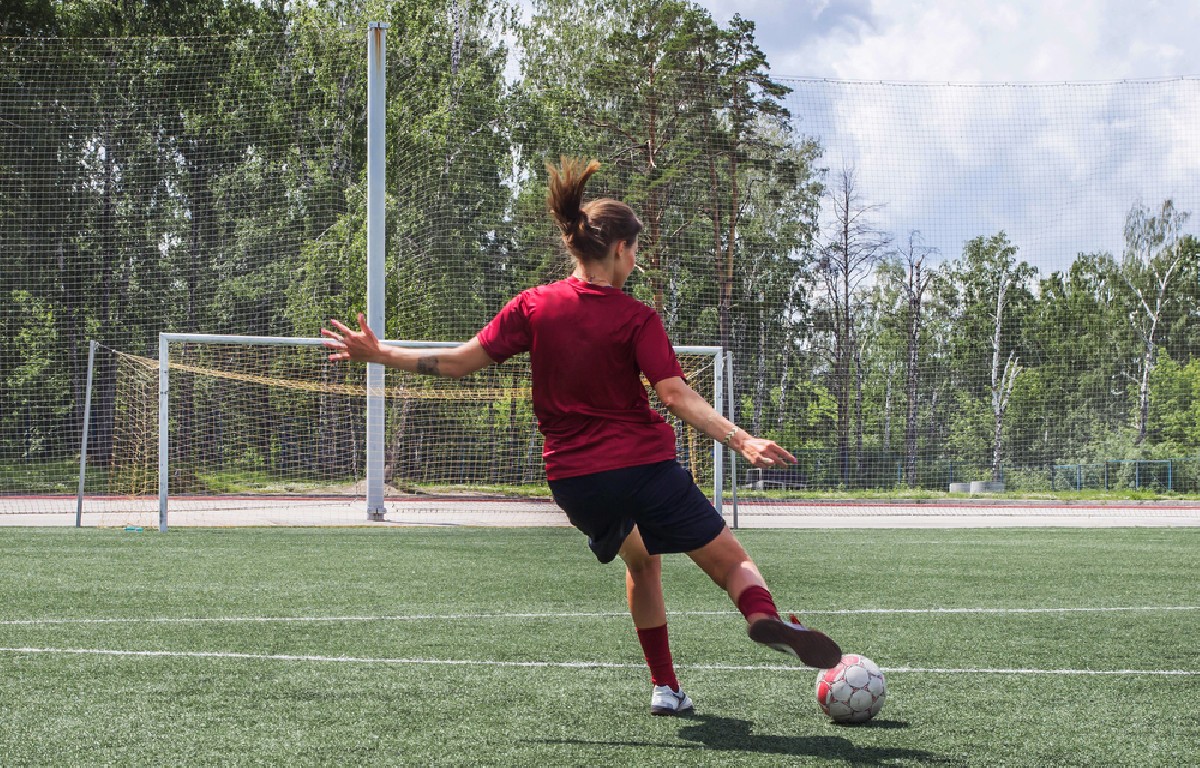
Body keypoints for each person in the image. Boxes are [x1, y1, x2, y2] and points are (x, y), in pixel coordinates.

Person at [322, 157, 842, 716]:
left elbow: (456, 362)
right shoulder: (636, 317)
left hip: (575, 481)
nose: (635, 262)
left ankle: (666, 688)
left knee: (641, 561)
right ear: (619, 249)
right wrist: (740, 440)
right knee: (732, 563)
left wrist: (379, 353)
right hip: (643, 469)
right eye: (634, 251)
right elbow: (674, 395)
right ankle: (762, 616)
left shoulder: (534, 306)